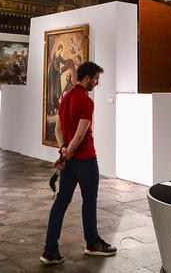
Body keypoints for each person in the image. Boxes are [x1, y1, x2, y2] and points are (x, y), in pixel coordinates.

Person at [40, 61, 116, 265]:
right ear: (88, 78)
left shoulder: (66, 97)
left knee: (61, 202)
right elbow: (81, 135)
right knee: (89, 201)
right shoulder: (86, 101)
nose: (97, 84)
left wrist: (63, 149)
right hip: (85, 160)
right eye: (96, 79)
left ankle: (50, 250)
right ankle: (92, 243)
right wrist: (68, 154)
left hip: (70, 161)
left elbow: (58, 130)